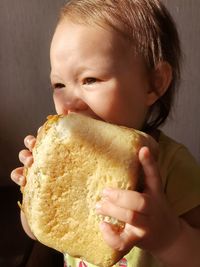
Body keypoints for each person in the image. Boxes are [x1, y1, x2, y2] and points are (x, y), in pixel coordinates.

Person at [11, 0, 200, 266]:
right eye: (59, 84)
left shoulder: (172, 166)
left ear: (153, 84)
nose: (69, 102)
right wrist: (33, 194)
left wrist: (168, 237)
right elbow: (34, 231)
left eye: (90, 80)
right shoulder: (67, 162)